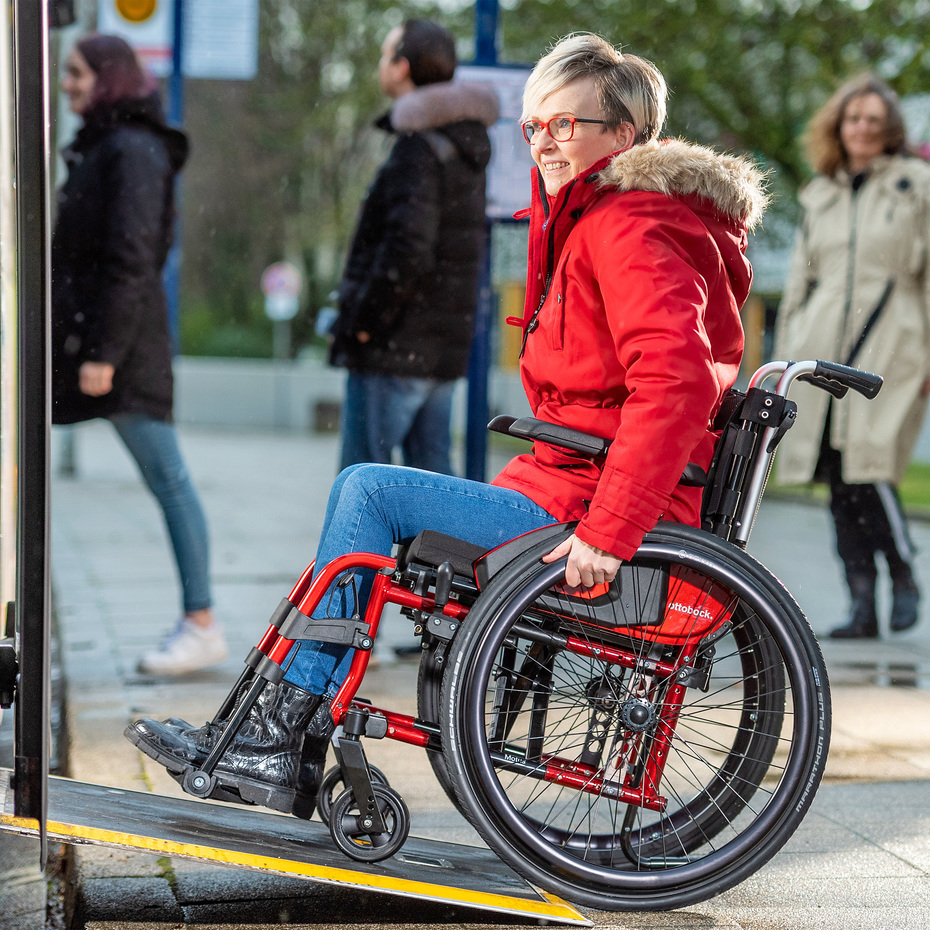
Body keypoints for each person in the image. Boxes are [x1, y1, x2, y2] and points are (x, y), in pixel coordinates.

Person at [126, 33, 767, 819]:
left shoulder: (629, 223)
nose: (544, 142)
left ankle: (281, 735)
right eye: (535, 126)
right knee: (363, 507)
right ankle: (272, 730)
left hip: (597, 518)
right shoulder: (597, 218)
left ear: (623, 135)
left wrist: (609, 532)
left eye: (566, 124)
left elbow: (675, 380)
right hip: (568, 492)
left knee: (369, 492)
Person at [52, 35, 227, 674]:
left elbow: (130, 258)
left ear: (108, 79)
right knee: (167, 480)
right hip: (102, 338)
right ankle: (200, 621)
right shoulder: (112, 145)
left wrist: (103, 352)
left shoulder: (131, 150)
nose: (66, 84)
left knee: (169, 480)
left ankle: (202, 623)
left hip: (118, 345)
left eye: (75, 73)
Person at [775, 74, 930, 640]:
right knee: (839, 481)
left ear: (890, 129)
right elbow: (800, 281)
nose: (862, 128)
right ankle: (861, 604)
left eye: (873, 120)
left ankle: (903, 572)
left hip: (895, 344)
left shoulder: (917, 186)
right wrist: (786, 354)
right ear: (838, 127)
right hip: (822, 349)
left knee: (871, 467)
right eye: (853, 118)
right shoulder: (820, 194)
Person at [329, 19, 499, 475]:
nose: (381, 65)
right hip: (439, 350)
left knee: (362, 482)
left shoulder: (418, 148)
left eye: (385, 55)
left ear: (402, 67)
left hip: (394, 347)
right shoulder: (463, 145)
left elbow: (408, 249)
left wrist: (363, 324)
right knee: (431, 485)